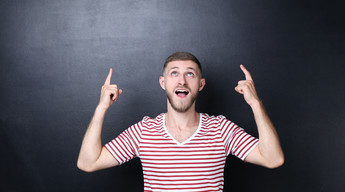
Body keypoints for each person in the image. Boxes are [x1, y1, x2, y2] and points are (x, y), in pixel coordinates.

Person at [77, 52, 284, 191]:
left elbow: (273, 159)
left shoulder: (221, 129)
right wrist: (101, 108)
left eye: (190, 74)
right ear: (163, 82)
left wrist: (255, 104)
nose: (182, 80)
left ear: (200, 84)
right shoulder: (143, 132)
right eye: (174, 73)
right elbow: (88, 162)